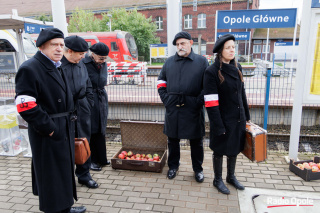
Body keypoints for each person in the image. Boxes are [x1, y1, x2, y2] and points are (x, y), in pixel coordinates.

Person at [15, 28, 86, 213]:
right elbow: (25, 105)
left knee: (63, 170)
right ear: (42, 46)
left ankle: (65, 206)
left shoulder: (55, 65)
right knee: (51, 175)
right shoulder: (30, 68)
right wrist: (50, 128)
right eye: (55, 44)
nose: (59, 49)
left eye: (62, 45)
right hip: (48, 132)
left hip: (63, 127)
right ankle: (57, 209)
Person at [157, 31, 208, 182]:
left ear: (191, 43)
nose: (180, 47)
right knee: (172, 140)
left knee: (196, 141)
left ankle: (198, 170)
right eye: (177, 44)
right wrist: (167, 100)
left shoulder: (202, 62)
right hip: (173, 108)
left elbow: (208, 86)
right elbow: (161, 83)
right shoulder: (169, 62)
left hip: (193, 109)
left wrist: (198, 102)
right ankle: (173, 167)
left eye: (183, 43)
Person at [203, 34, 250, 194]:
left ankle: (231, 176)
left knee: (235, 146)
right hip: (222, 119)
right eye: (228, 48)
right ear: (220, 51)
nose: (232, 50)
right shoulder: (212, 72)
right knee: (220, 149)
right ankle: (218, 180)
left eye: (233, 47)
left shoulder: (238, 68)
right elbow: (210, 102)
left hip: (238, 118)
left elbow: (242, 94)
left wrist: (247, 116)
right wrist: (218, 124)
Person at [61, 35, 99, 189]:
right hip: (65, 110)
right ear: (70, 51)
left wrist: (88, 102)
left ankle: (84, 175)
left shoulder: (80, 63)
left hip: (82, 107)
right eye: (80, 54)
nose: (83, 57)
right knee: (66, 145)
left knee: (84, 141)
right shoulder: (57, 66)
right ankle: (66, 179)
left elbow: (88, 83)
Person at [82, 42, 110, 171]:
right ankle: (91, 160)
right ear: (92, 54)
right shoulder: (83, 63)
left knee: (101, 129)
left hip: (101, 98)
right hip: (90, 98)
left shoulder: (103, 63)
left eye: (104, 58)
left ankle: (101, 158)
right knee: (91, 130)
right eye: (101, 58)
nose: (103, 61)